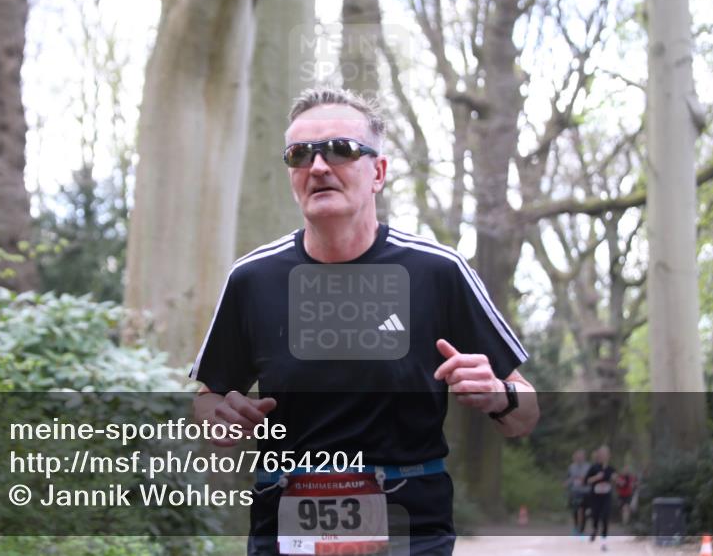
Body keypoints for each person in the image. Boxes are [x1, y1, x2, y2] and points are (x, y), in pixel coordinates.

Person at [189, 88, 539, 555]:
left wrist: (498, 396)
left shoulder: (438, 270)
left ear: (378, 172)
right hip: (284, 524)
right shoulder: (253, 277)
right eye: (300, 155)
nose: (318, 167)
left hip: (409, 526)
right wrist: (221, 417)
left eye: (341, 150)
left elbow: (526, 415)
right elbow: (208, 401)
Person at [584, 445, 617, 551]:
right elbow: (586, 481)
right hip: (595, 497)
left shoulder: (611, 469)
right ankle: (594, 529)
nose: (603, 456)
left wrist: (615, 479)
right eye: (601, 454)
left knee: (605, 517)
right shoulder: (594, 468)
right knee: (596, 516)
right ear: (598, 456)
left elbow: (617, 481)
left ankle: (604, 541)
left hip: (606, 497)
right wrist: (596, 478)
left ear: (609, 456)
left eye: (605, 454)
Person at [565, 448, 591, 536]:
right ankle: (576, 527)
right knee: (575, 510)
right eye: (578, 456)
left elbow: (591, 478)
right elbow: (569, 478)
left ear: (584, 457)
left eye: (581, 456)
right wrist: (567, 482)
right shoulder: (571, 467)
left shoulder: (588, 467)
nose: (579, 458)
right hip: (575, 491)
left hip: (585, 491)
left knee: (583, 511)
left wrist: (585, 480)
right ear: (575, 457)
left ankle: (582, 529)